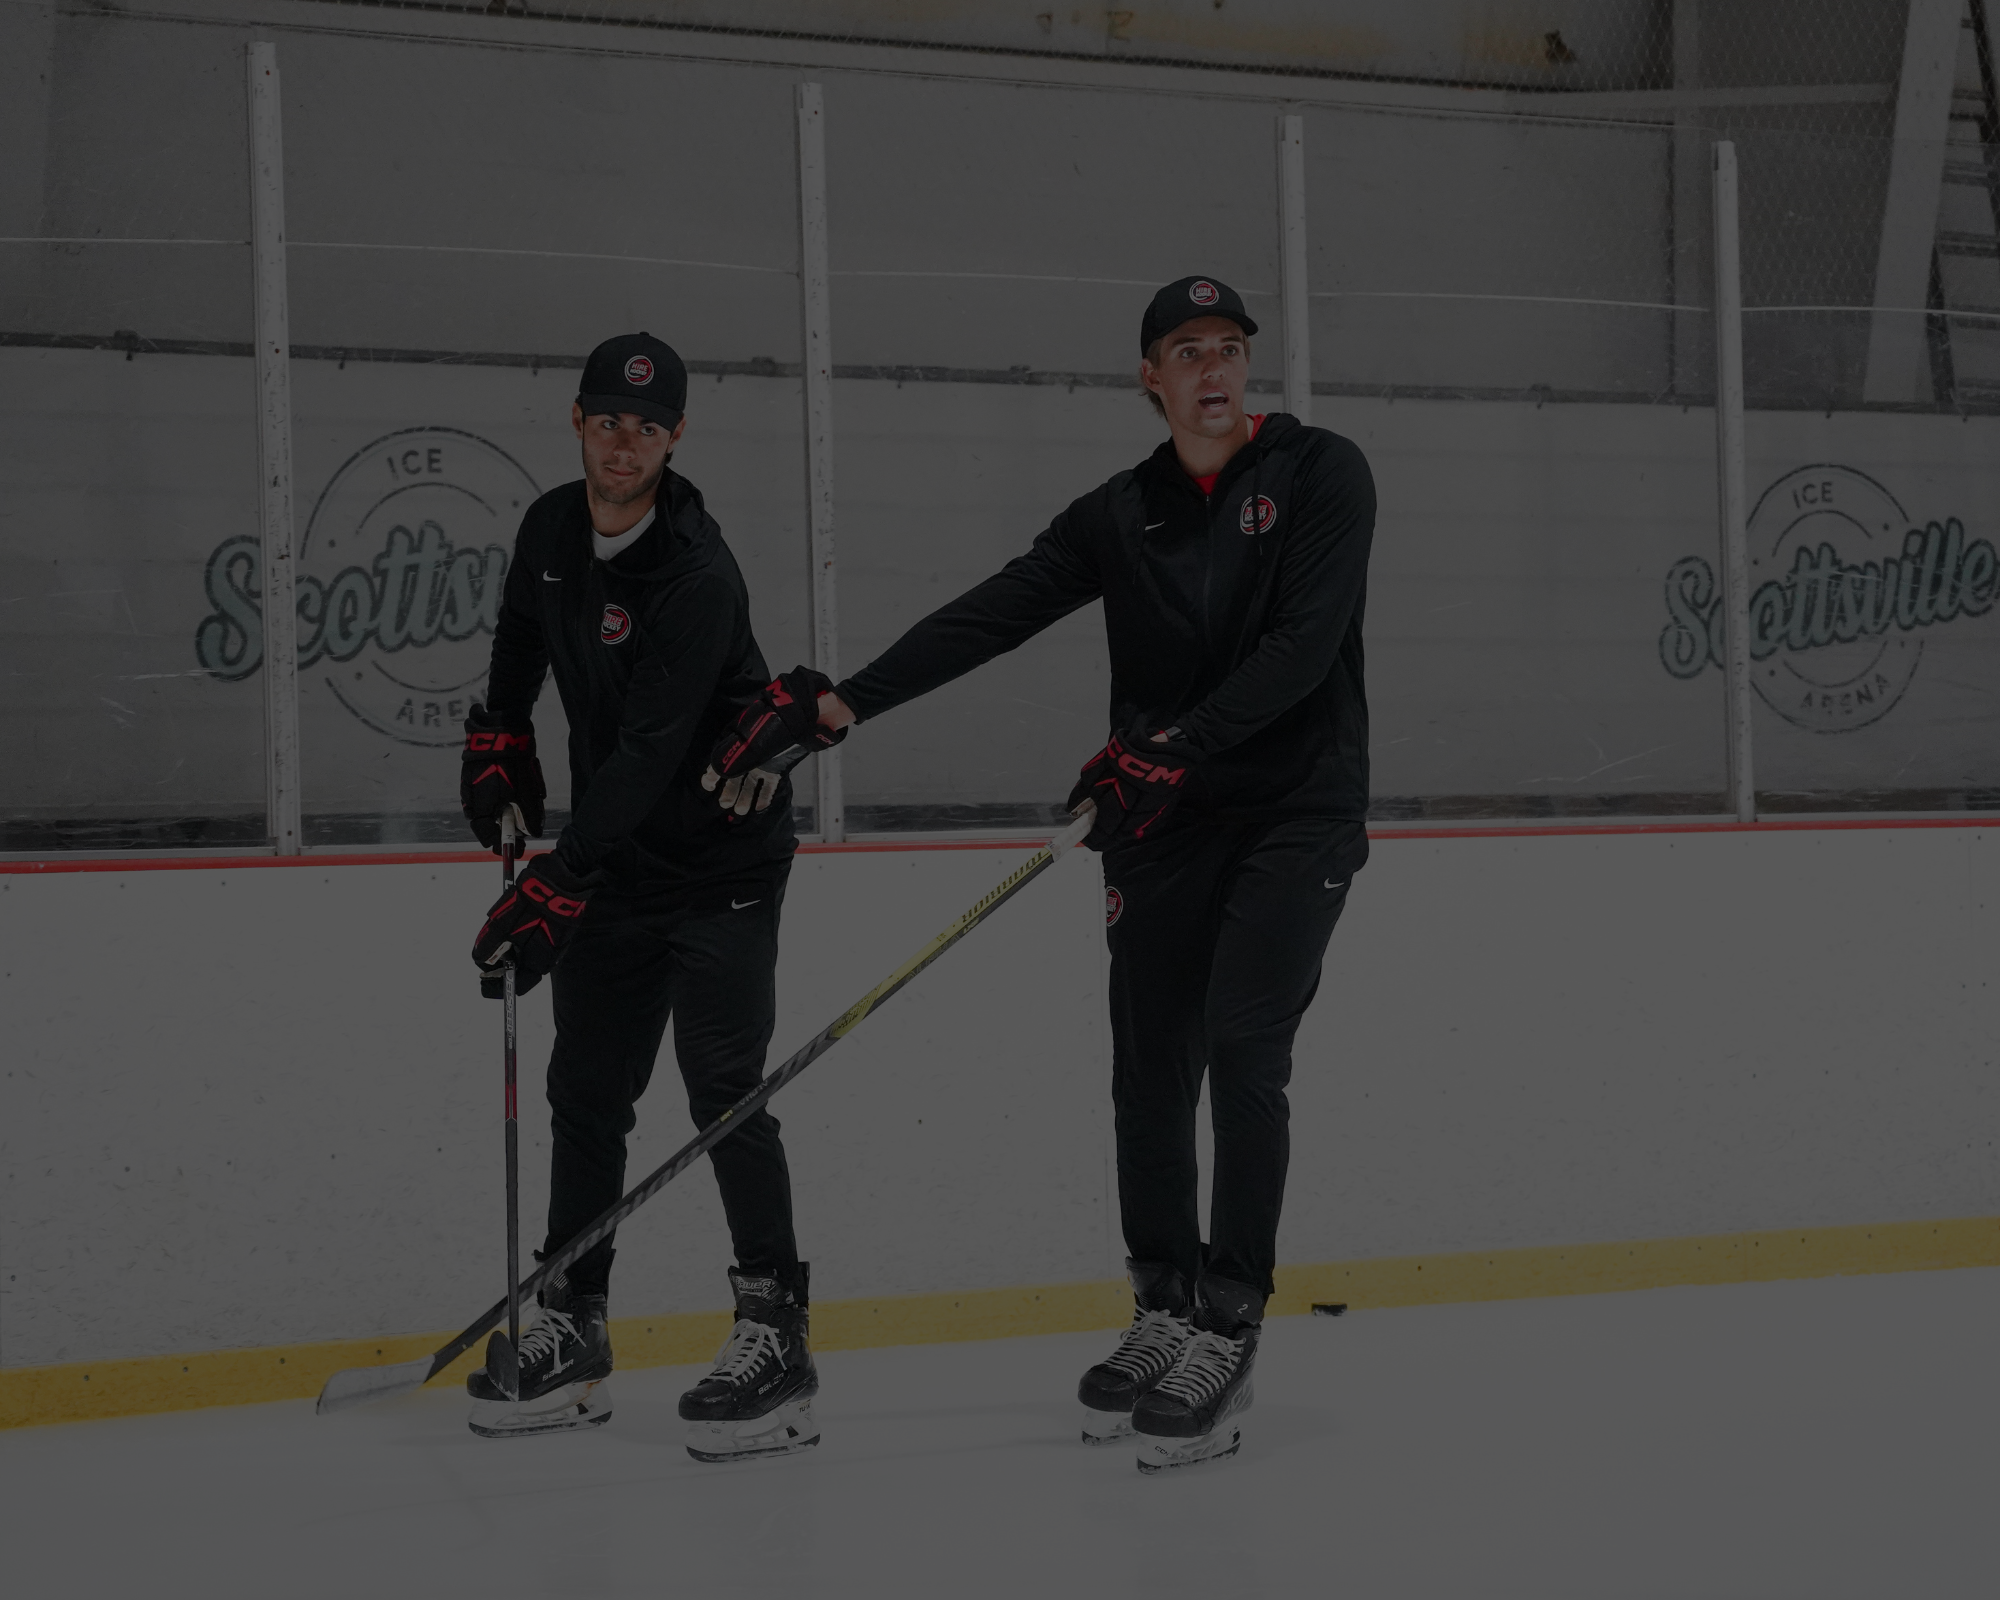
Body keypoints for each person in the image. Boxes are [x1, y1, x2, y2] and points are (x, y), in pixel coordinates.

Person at [705, 277, 1375, 1472]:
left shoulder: (1322, 473)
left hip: (1291, 815)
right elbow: (999, 610)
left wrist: (1169, 749)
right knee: (1145, 1063)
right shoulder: (1123, 513)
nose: (1213, 369)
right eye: (1186, 351)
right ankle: (1161, 1306)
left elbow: (1301, 647)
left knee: (1242, 1045)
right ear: (1149, 380)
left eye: (1229, 347)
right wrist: (849, 701)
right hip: (1161, 822)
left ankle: (1227, 1321)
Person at [459, 331, 824, 1459]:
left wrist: (559, 881)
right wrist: (497, 737)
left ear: (675, 438)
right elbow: (518, 640)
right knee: (586, 1089)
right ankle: (573, 1321)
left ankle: (776, 1333)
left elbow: (652, 750)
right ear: (576, 421)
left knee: (721, 1088)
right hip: (617, 862)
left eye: (646, 428)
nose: (623, 445)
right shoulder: (550, 529)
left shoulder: (696, 572)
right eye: (605, 423)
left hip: (718, 865)